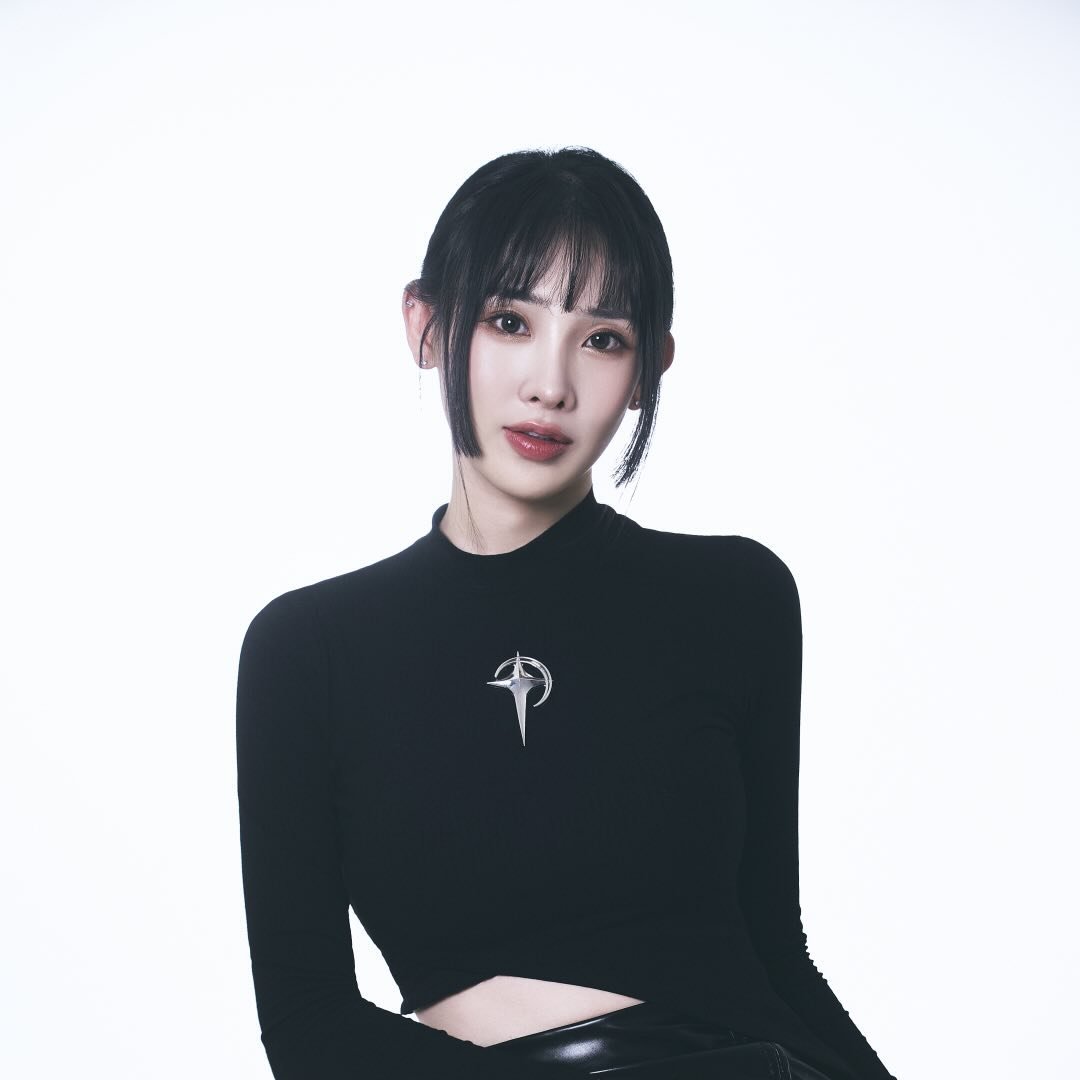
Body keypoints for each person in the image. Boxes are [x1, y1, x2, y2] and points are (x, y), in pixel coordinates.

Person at [235, 147, 898, 1080]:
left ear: (651, 366)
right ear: (426, 326)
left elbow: (774, 951)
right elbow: (308, 1027)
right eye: (510, 321)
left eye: (604, 339)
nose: (550, 385)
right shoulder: (309, 649)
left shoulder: (733, 596)